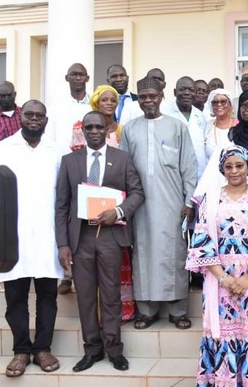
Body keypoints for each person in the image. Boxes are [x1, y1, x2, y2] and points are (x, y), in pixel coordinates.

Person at [187, 145, 248, 387]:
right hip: (219, 283)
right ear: (221, 169)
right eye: (228, 166)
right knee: (224, 336)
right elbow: (201, 243)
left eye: (239, 165)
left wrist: (246, 279)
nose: (234, 171)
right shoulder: (210, 199)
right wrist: (226, 279)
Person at [56, 111, 144, 372]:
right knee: (84, 295)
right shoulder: (69, 161)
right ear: (82, 130)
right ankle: (92, 350)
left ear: (108, 129)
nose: (93, 131)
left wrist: (117, 212)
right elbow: (61, 205)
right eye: (88, 127)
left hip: (110, 236)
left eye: (98, 127)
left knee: (110, 293)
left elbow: (138, 193)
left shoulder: (122, 159)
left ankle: (115, 350)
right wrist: (63, 244)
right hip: (81, 237)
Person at [0, 100, 64, 378]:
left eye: (39, 116)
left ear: (46, 120)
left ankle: (42, 348)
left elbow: (65, 195)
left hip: (48, 236)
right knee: (16, 297)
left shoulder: (57, 150)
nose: (34, 119)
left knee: (47, 295)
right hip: (12, 237)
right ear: (21, 117)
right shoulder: (2, 149)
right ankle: (21, 350)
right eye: (29, 115)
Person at [120, 76, 198, 330]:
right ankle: (146, 310)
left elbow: (189, 166)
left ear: (162, 97)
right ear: (139, 100)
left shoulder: (176, 127)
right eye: (143, 97)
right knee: (141, 253)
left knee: (174, 253)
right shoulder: (130, 129)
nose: (148, 100)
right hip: (139, 203)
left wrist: (189, 200)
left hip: (173, 202)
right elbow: (123, 168)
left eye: (153, 96)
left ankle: (177, 311)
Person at [88, 85, 136, 322]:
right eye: (104, 99)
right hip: (90, 205)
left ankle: (124, 310)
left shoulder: (123, 130)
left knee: (120, 258)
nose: (109, 103)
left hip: (119, 204)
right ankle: (96, 316)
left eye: (113, 99)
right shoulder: (84, 128)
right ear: (96, 102)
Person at [46, 62, 93, 295]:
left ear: (87, 77)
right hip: (65, 167)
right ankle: (65, 274)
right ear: (67, 78)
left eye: (81, 74)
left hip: (92, 168)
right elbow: (51, 140)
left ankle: (84, 270)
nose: (77, 78)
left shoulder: (94, 103)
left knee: (86, 220)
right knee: (67, 216)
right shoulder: (56, 108)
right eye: (73, 74)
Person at [162, 76, 208, 179]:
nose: (187, 93)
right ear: (174, 92)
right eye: (182, 89)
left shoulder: (200, 116)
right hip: (173, 175)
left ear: (195, 93)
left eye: (191, 90)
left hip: (199, 174)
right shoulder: (164, 113)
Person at [203, 89, 237, 159]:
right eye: (215, 102)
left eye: (223, 101)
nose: (219, 104)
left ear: (230, 104)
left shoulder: (238, 124)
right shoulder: (208, 126)